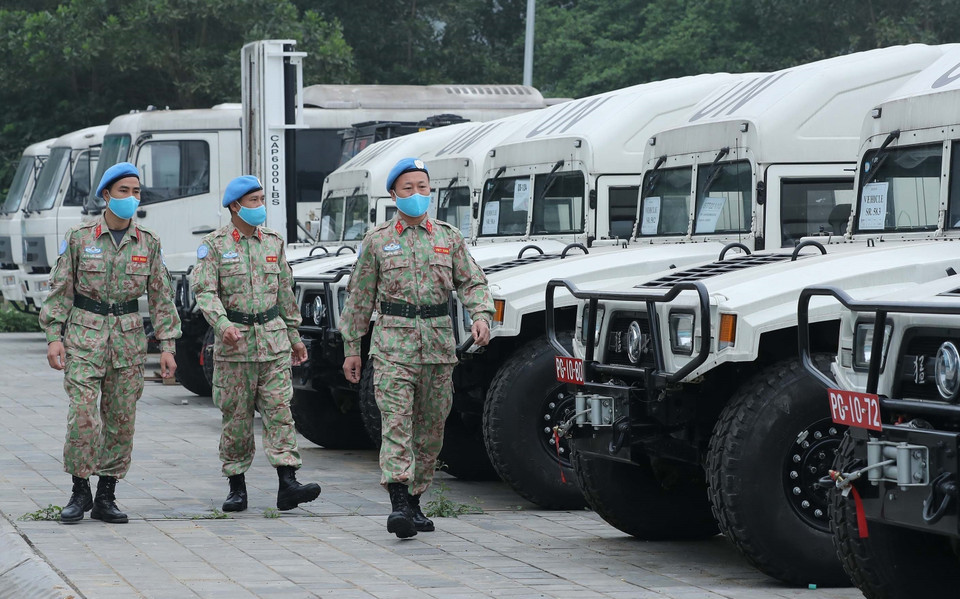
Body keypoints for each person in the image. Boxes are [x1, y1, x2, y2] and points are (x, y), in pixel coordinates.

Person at [340, 157, 493, 538]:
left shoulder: (448, 237)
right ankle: (398, 504)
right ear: (394, 195)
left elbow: (472, 282)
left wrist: (481, 315)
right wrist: (351, 348)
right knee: (396, 424)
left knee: (430, 430)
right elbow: (359, 298)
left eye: (423, 187)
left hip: (438, 348)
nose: (417, 195)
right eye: (408, 189)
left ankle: (415, 500)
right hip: (393, 345)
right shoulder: (377, 242)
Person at [40, 162, 181, 524]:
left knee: (121, 420)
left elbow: (162, 297)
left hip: (128, 340)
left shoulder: (148, 242)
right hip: (84, 337)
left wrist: (167, 346)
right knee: (83, 414)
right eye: (124, 191)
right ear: (106, 195)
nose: (131, 198)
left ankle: (106, 494)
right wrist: (53, 335)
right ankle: (79, 489)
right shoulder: (80, 237)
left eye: (136, 192)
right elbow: (61, 289)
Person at [191, 175, 320, 513]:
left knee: (281, 413)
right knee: (236, 418)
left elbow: (284, 294)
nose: (260, 206)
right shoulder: (215, 245)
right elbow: (205, 291)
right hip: (235, 347)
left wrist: (295, 338)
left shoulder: (274, 242)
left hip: (273, 341)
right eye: (253, 201)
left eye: (262, 199)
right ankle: (237, 486)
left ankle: (288, 483)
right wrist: (222, 324)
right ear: (235, 206)